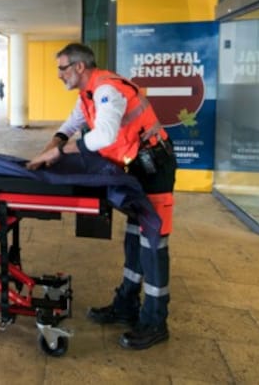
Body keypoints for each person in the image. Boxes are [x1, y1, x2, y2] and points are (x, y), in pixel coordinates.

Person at [27, 43, 176, 350]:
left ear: (79, 67)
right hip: (136, 167)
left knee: (153, 241)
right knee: (135, 236)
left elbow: (105, 134)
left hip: (154, 166)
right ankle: (126, 305)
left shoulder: (107, 90)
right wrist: (44, 153)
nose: (58, 75)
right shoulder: (87, 95)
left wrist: (61, 152)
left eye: (62, 68)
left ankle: (155, 321)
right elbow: (69, 127)